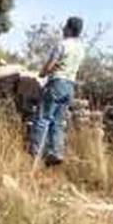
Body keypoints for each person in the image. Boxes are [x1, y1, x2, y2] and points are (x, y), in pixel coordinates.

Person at [29, 16, 86, 166]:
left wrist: (41, 74)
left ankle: (35, 154)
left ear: (69, 29)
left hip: (57, 83)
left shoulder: (62, 45)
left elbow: (49, 66)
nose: (63, 29)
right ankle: (55, 152)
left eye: (65, 27)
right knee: (58, 122)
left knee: (43, 118)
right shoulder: (81, 49)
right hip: (70, 86)